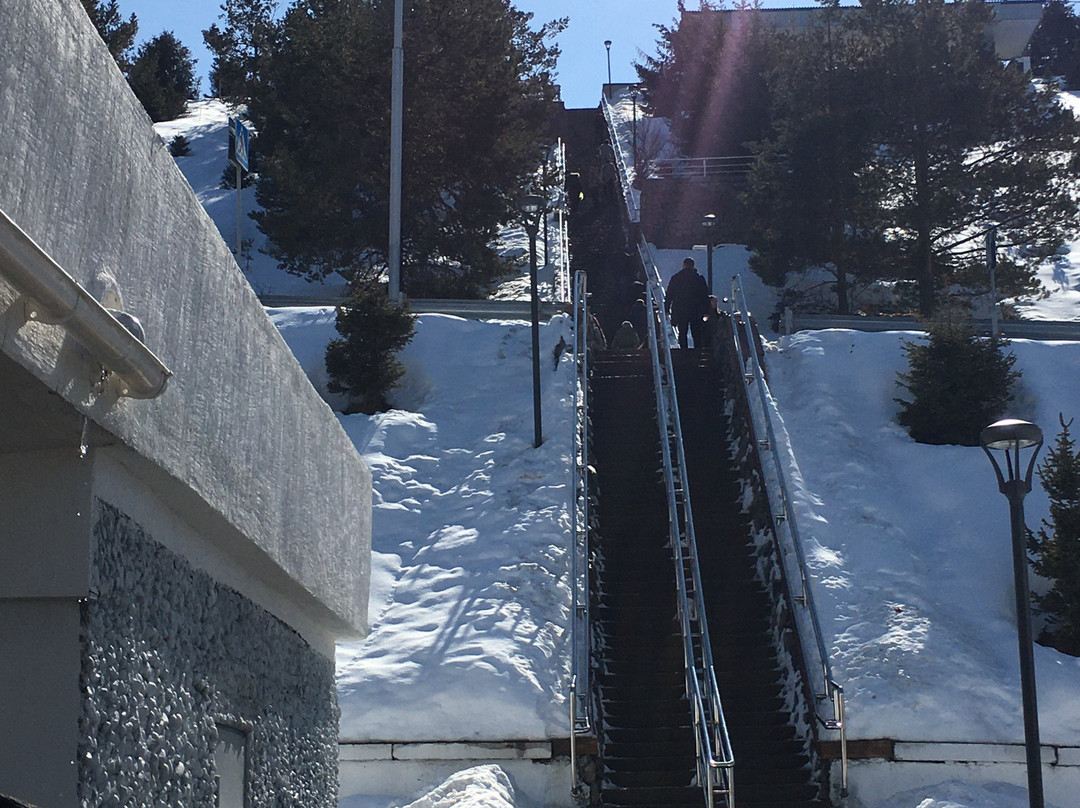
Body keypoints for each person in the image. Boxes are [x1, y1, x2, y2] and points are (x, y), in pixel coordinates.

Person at [665, 257, 709, 349]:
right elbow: (704, 295)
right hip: (696, 310)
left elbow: (669, 294)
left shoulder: (676, 278)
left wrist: (666, 308)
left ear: (683, 265)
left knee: (682, 332)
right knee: (696, 333)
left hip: (680, 310)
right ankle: (698, 352)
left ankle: (683, 352)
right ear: (693, 266)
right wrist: (706, 310)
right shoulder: (699, 279)